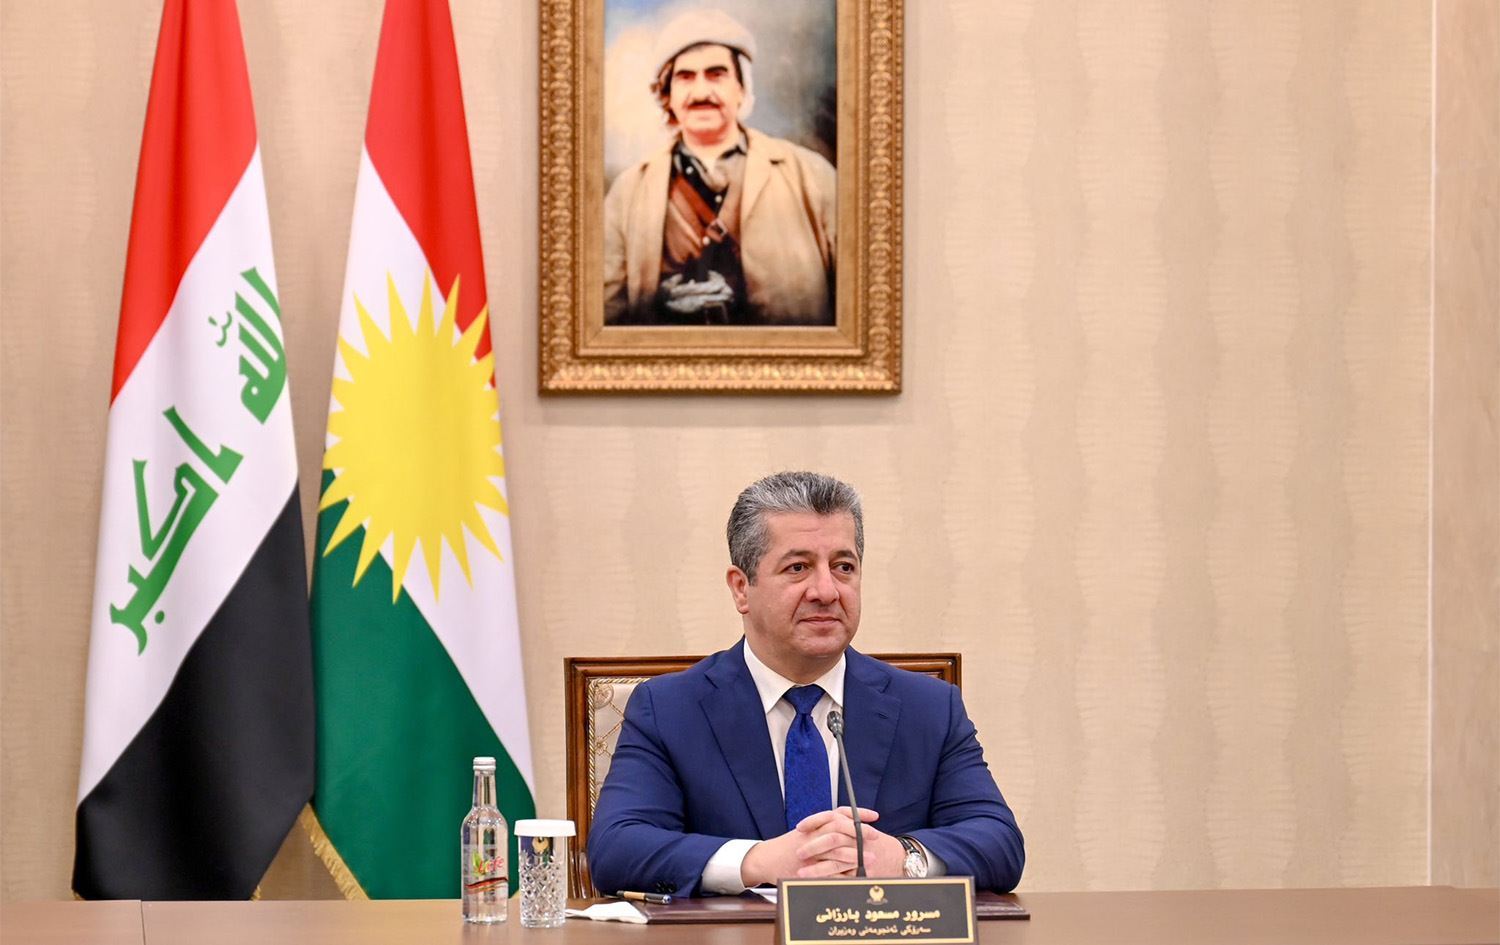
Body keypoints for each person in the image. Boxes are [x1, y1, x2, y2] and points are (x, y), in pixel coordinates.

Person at [587, 472, 1024, 897]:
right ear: (741, 589)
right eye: (798, 568)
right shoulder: (670, 709)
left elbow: (999, 842)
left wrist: (902, 858)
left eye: (843, 567)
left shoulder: (927, 707)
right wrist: (758, 861)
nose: (826, 591)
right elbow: (617, 849)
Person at [602, 10, 836, 326]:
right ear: (668, 94)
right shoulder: (627, 193)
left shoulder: (811, 176)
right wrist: (656, 310)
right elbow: (605, 315)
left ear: (741, 88)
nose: (701, 92)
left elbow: (857, 297)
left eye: (716, 75)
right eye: (685, 77)